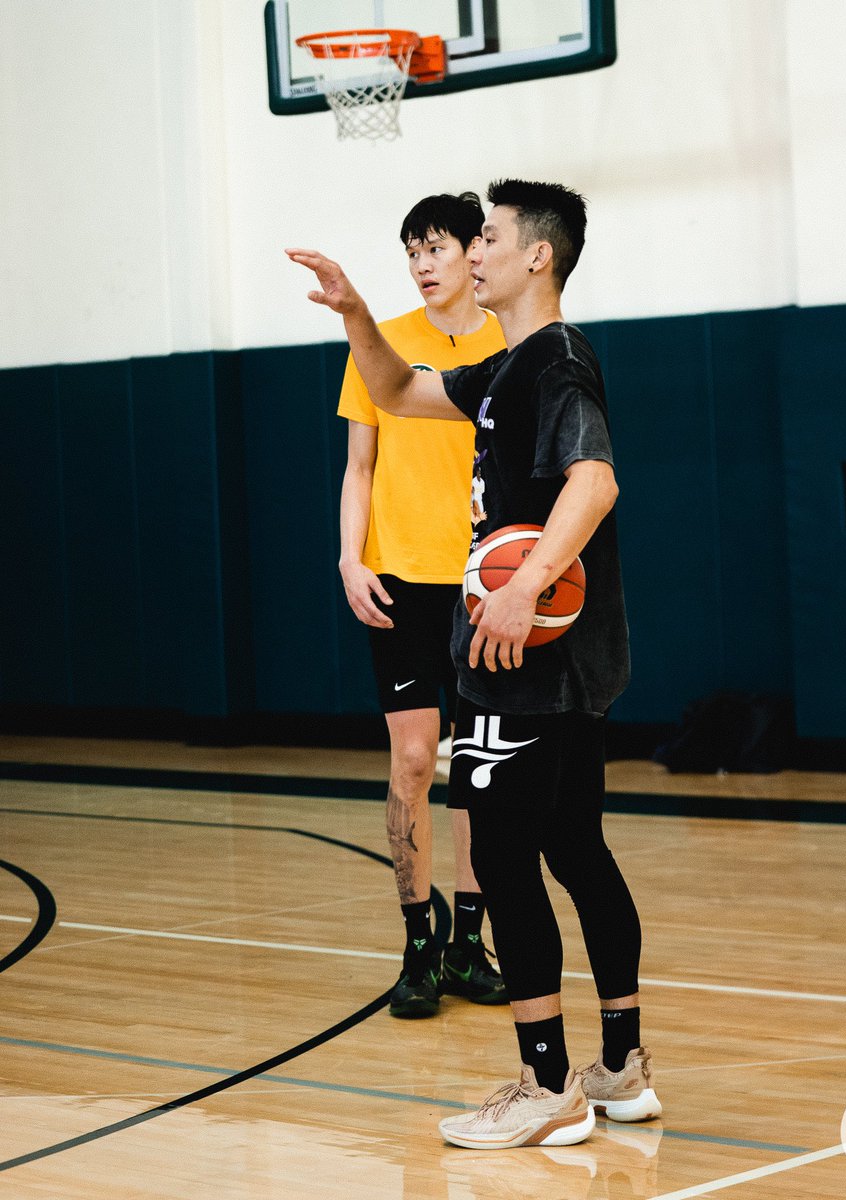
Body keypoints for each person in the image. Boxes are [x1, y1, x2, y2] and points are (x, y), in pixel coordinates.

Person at [288, 178, 661, 1149]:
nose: (476, 250)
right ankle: (619, 1067)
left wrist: (527, 581)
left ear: (537, 255)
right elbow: (397, 390)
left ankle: (547, 1088)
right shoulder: (506, 368)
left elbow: (597, 478)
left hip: (525, 653)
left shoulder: (555, 363)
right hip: (558, 656)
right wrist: (361, 312)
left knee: (499, 852)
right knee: (575, 847)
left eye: (488, 237)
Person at [336, 192, 508, 1017]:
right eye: (411, 251)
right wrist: (348, 558)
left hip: (483, 584)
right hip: (399, 577)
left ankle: (469, 945)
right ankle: (416, 946)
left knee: (476, 772)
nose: (422, 263)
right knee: (413, 761)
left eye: (434, 246)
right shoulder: (382, 345)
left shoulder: (513, 342)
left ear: (473, 250)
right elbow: (358, 465)